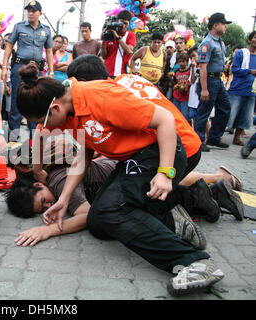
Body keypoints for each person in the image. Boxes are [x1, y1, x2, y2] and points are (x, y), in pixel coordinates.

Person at [15, 61, 226, 296]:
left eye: (40, 124)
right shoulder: (70, 107)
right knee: (98, 221)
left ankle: (194, 262)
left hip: (173, 147)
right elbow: (84, 154)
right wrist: (64, 199)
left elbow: (165, 121)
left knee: (112, 210)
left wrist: (165, 173)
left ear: (54, 109)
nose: (44, 130)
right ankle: (187, 200)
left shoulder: (100, 98)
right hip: (141, 153)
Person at [1, 0, 54, 142]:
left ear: (40, 13)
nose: (30, 13)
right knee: (16, 102)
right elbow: (9, 46)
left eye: (33, 11)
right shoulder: (19, 27)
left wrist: (51, 72)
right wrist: (5, 67)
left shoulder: (46, 30)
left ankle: (34, 139)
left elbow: (49, 51)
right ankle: (13, 139)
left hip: (37, 69)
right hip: (20, 67)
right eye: (28, 10)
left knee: (35, 101)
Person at [194, 13, 232, 152]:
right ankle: (198, 140)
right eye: (223, 23)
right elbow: (203, 66)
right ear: (215, 25)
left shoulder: (220, 42)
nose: (225, 26)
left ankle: (214, 138)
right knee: (204, 111)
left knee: (225, 108)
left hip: (218, 80)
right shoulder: (207, 43)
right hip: (208, 80)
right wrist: (204, 89)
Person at [225, 31, 256, 146]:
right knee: (230, 113)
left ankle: (237, 137)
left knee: (245, 115)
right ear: (250, 40)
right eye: (255, 37)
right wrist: (250, 71)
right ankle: (216, 135)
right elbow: (235, 70)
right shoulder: (241, 53)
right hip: (237, 89)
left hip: (251, 91)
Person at [100, 9, 136, 78]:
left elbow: (129, 51)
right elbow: (104, 56)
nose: (123, 26)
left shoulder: (131, 35)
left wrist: (117, 37)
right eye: (121, 23)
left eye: (125, 23)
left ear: (129, 24)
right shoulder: (110, 33)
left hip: (122, 75)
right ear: (117, 21)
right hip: (108, 73)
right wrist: (104, 39)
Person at [171, 52, 195, 121]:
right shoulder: (176, 71)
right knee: (176, 114)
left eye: (183, 61)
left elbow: (191, 81)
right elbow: (174, 83)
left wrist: (185, 85)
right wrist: (171, 78)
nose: (181, 63)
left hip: (186, 97)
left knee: (185, 115)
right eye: (180, 62)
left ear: (187, 62)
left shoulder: (189, 71)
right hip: (177, 96)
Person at [187, 46, 200, 124]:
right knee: (193, 118)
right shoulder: (193, 67)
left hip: (200, 97)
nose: (193, 58)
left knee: (204, 119)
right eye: (191, 57)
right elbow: (192, 81)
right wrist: (193, 67)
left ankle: (207, 136)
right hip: (193, 97)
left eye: (194, 55)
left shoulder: (205, 66)